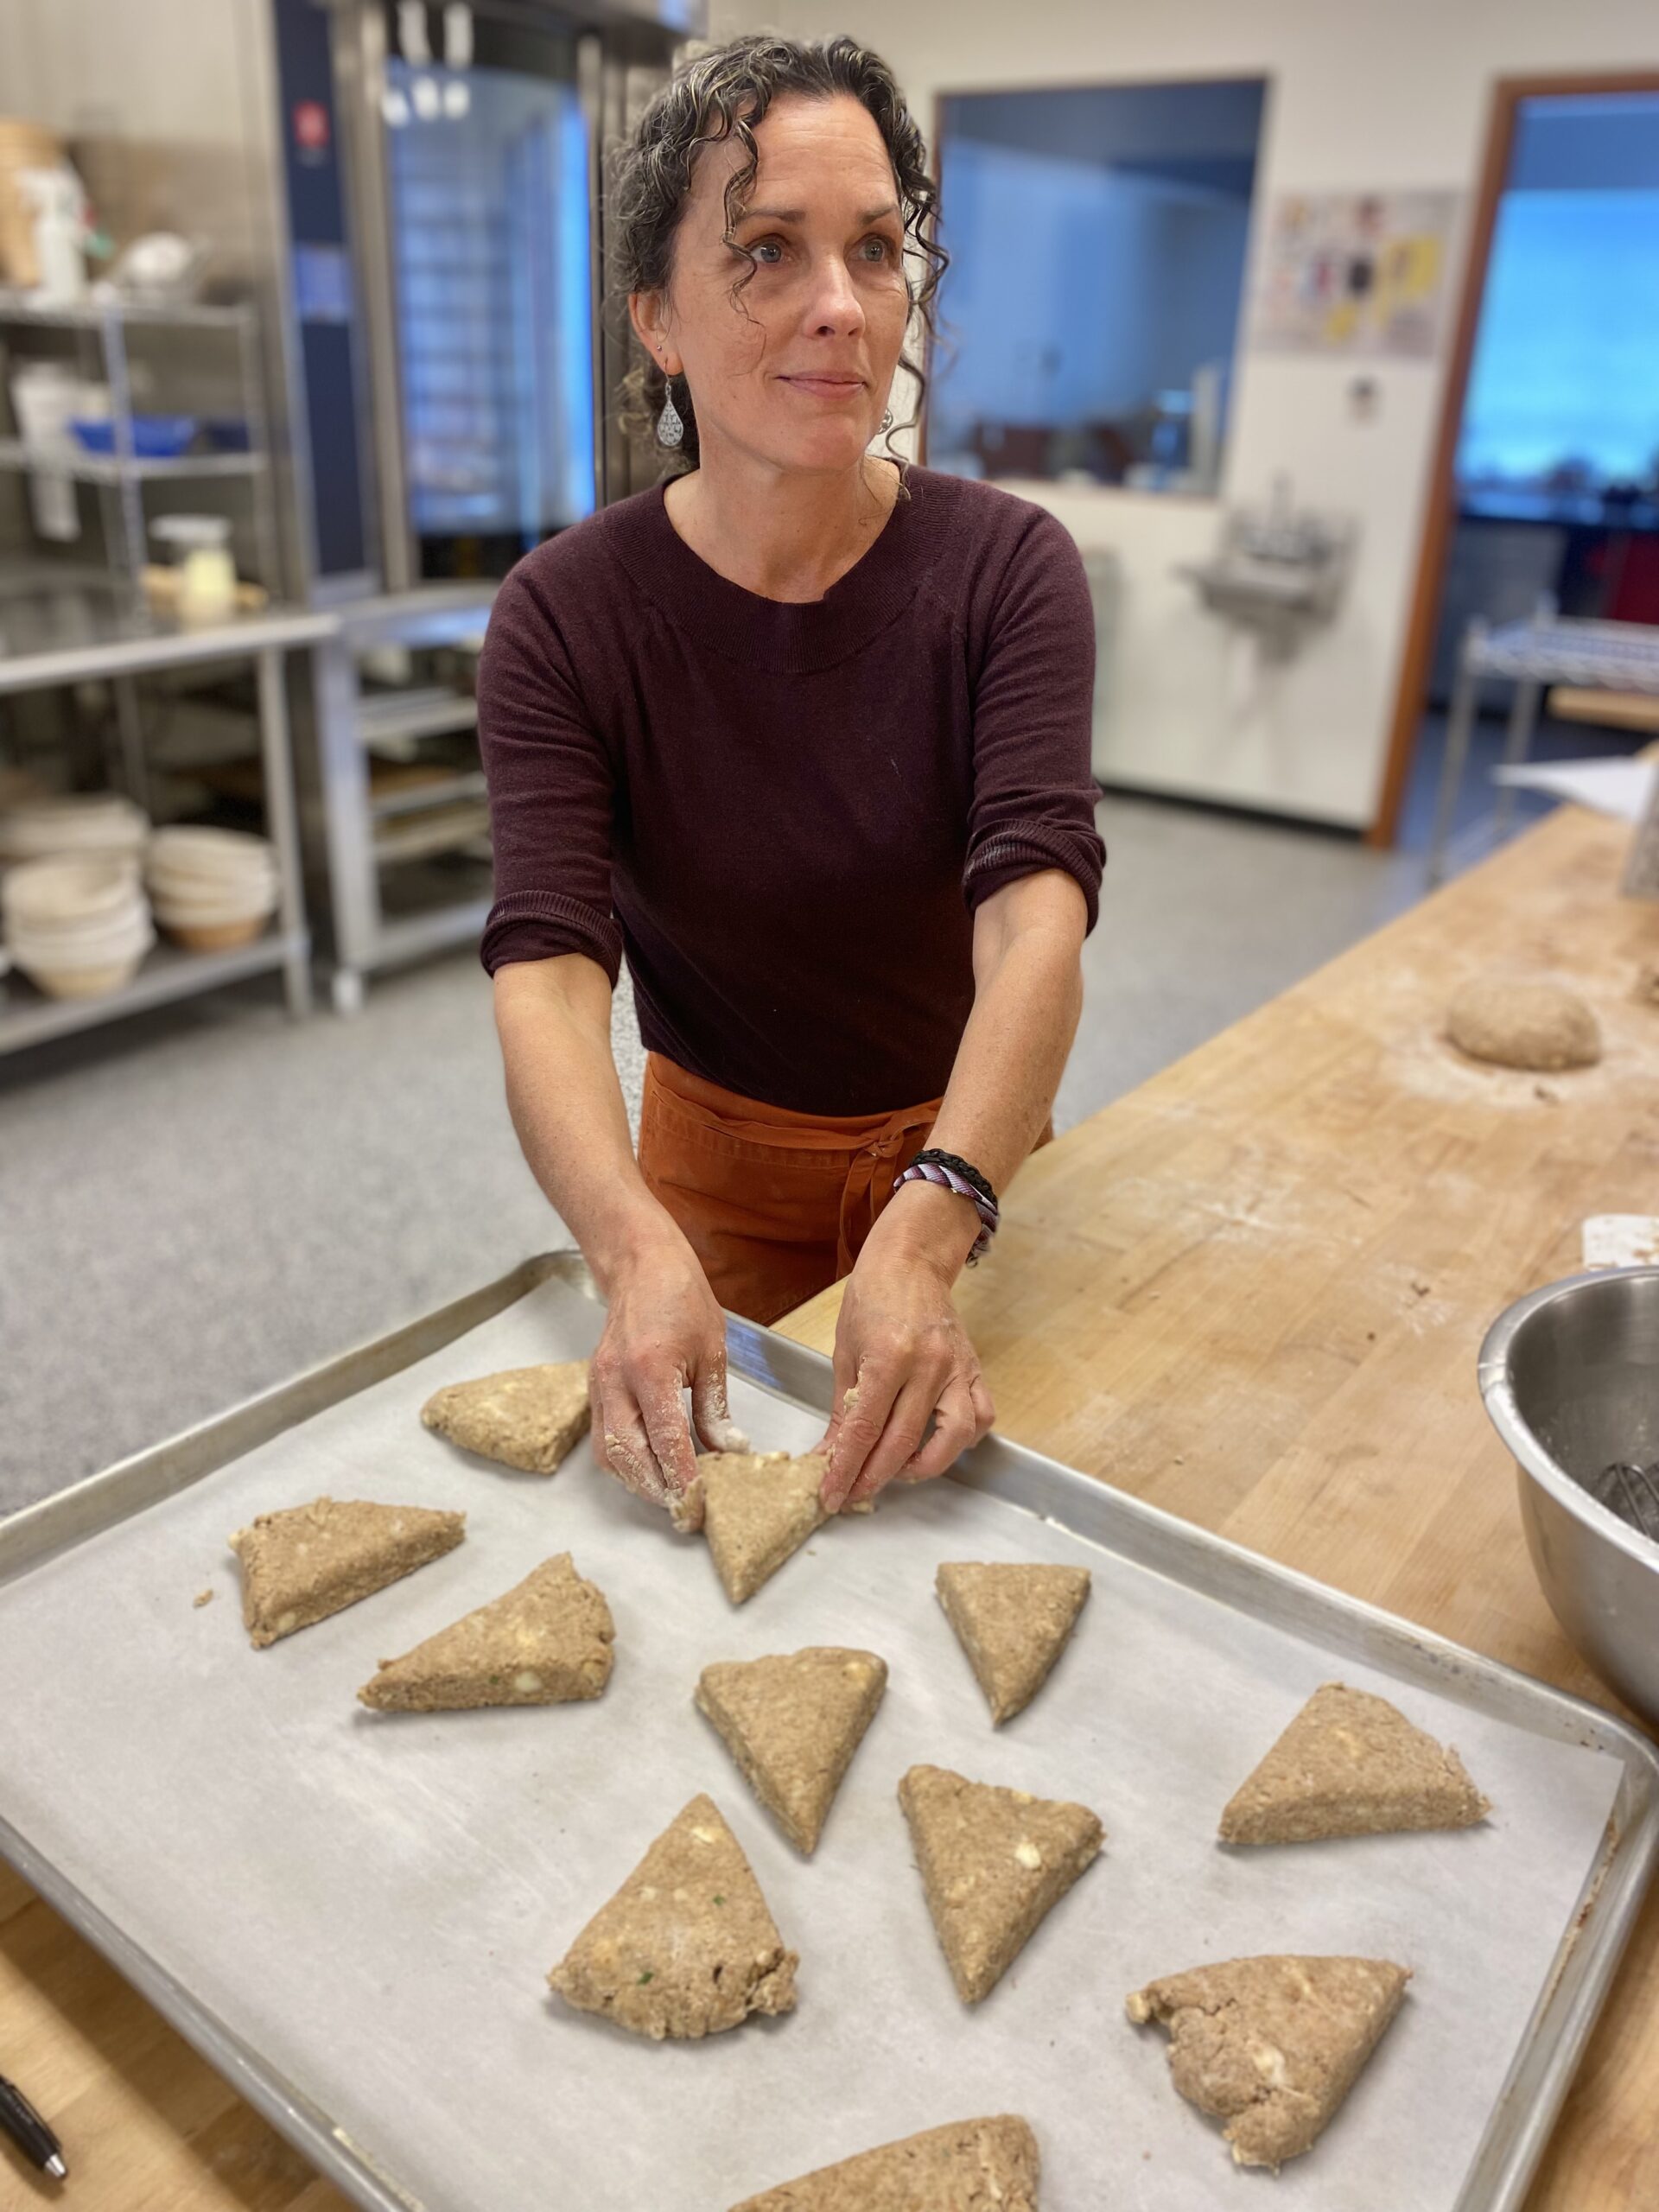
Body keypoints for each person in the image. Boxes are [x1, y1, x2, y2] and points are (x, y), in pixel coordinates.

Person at [477, 33, 1103, 1525]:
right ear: (659, 322)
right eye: (766, 250)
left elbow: (1033, 920)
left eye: (877, 250)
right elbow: (552, 972)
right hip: (706, 1188)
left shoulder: (1008, 573)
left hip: (973, 1160)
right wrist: (630, 1252)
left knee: (1016, 1530)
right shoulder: (568, 616)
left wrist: (931, 1222)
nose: (840, 306)